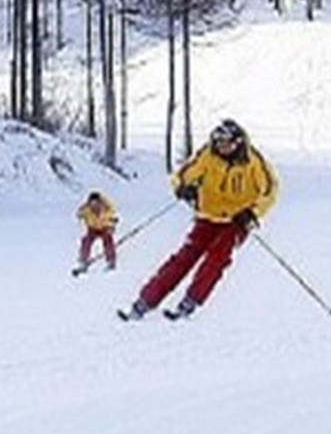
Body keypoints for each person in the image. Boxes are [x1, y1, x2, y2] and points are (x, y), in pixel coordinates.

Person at [121, 118, 277, 321]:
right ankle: (145, 301)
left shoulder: (253, 160)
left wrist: (252, 213)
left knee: (217, 257)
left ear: (237, 143)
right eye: (218, 142)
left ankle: (190, 301)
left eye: (226, 143)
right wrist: (182, 188)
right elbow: (182, 174)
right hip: (207, 215)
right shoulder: (208, 154)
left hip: (235, 220)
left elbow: (270, 190)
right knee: (185, 257)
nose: (221, 147)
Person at [74, 191, 119, 274]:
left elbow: (113, 218)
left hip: (104, 228)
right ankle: (83, 259)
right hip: (92, 228)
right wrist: (80, 214)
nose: (94, 206)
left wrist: (112, 226)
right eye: (92, 204)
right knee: (86, 240)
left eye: (96, 204)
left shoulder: (107, 209)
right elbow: (79, 214)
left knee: (108, 240)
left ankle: (111, 260)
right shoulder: (86, 210)